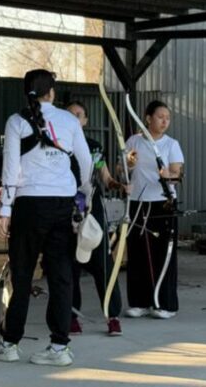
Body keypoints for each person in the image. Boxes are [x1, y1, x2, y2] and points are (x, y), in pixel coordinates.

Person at [0, 70, 93, 367]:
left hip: (28, 206)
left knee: (21, 275)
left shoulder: (16, 121)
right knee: (61, 275)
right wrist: (83, 193)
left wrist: (6, 210)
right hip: (62, 204)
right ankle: (59, 347)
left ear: (28, 93)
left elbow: (10, 169)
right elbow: (85, 163)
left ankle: (10, 344)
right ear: (52, 92)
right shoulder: (69, 120)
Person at [65, 101, 123, 336]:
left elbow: (106, 177)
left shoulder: (94, 147)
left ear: (85, 121)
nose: (74, 118)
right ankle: (70, 316)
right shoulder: (57, 145)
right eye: (69, 114)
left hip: (92, 208)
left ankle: (113, 316)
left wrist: (120, 185)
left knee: (103, 263)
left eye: (79, 115)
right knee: (69, 265)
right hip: (66, 208)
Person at [124, 101, 184, 320]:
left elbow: (177, 174)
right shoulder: (134, 141)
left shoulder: (171, 144)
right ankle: (139, 302)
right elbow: (123, 168)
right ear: (148, 118)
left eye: (167, 118)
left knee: (163, 254)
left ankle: (165, 304)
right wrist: (129, 164)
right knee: (137, 252)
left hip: (163, 203)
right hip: (138, 202)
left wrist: (167, 175)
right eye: (160, 117)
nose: (164, 121)